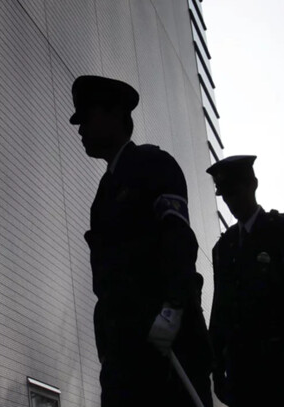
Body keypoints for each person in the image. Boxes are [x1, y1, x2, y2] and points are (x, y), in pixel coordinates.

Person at [69, 75, 212, 407]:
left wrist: (173, 309)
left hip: (166, 346)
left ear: (115, 114)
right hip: (124, 356)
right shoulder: (104, 193)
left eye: (87, 118)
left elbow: (178, 238)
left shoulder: (153, 166)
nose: (80, 130)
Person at [206, 155, 284, 406]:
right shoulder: (224, 247)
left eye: (235, 192)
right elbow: (220, 306)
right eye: (226, 196)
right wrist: (216, 364)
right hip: (241, 366)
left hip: (279, 359)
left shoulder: (282, 230)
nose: (231, 202)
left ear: (252, 185)